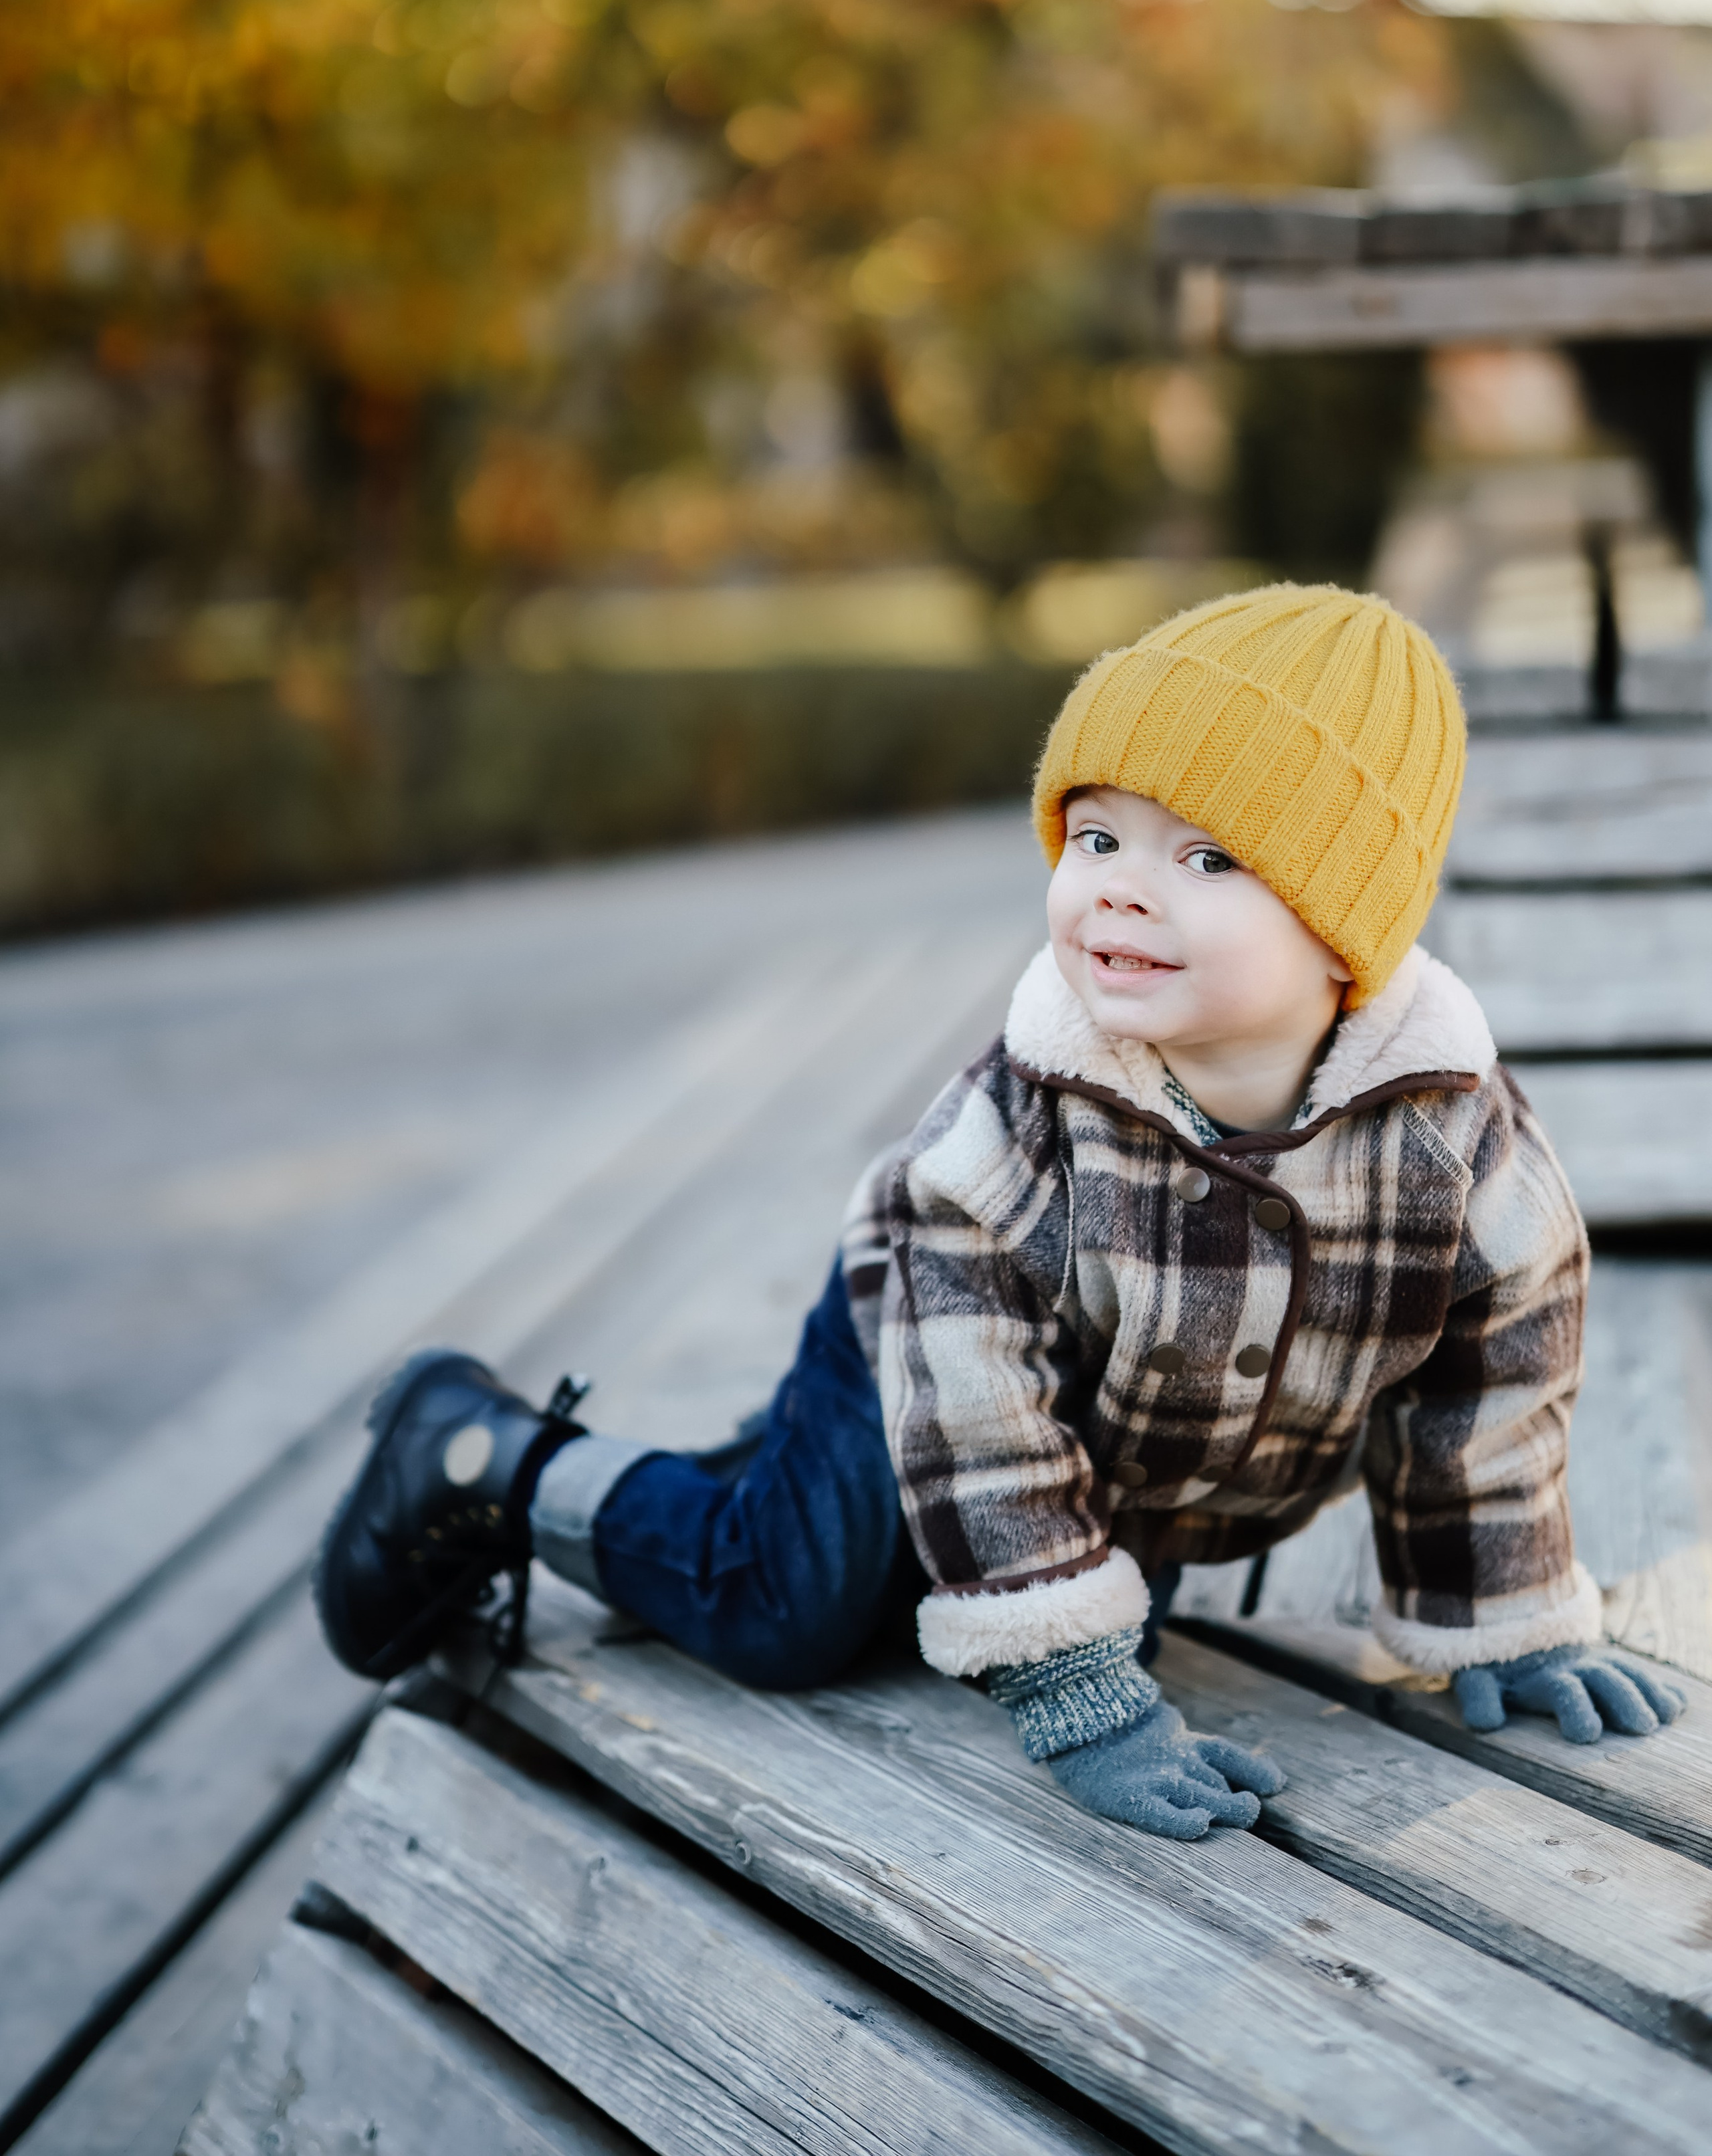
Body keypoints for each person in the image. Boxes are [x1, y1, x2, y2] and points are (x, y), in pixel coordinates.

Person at [314, 584, 1683, 1842]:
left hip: (1126, 1451)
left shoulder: (1456, 1144)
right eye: (1095, 835)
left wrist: (1498, 1621)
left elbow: (1490, 1393)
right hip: (917, 1348)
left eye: (1206, 857)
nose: (1120, 885)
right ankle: (483, 1456)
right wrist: (1078, 1684)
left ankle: (774, 1473)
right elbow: (977, 1416)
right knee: (789, 1605)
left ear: (1343, 931)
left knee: (977, 1598)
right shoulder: (1011, 1134)